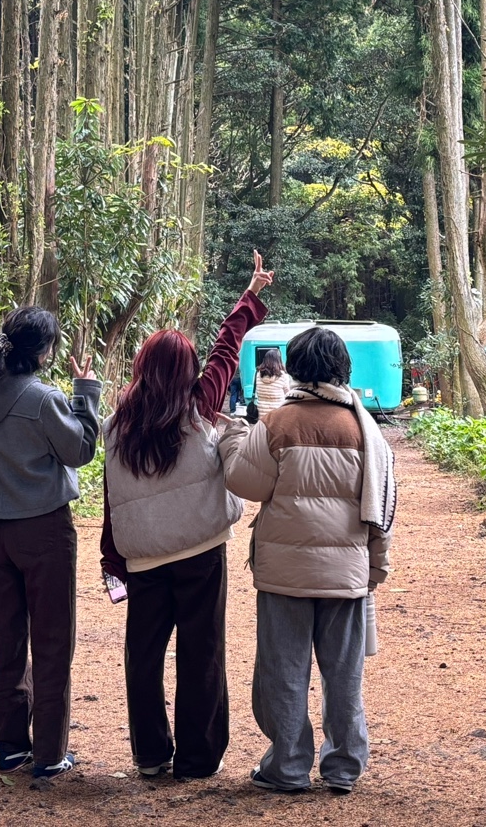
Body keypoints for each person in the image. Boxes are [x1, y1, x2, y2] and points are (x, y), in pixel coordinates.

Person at [101, 250, 276, 780]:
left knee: (143, 655)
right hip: (200, 551)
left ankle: (151, 754)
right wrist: (250, 294)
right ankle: (198, 758)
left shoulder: (116, 426)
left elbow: (112, 500)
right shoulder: (200, 405)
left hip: (144, 558)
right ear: (187, 371)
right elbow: (227, 346)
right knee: (202, 652)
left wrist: (112, 556)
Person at [219, 326, 396, 796]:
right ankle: (343, 767)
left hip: (285, 574)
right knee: (344, 675)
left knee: (284, 673)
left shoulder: (278, 423)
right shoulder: (365, 428)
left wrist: (233, 438)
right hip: (346, 573)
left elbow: (245, 482)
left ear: (295, 367)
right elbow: (381, 507)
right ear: (343, 368)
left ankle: (289, 767)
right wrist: (376, 565)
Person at [0, 307, 101, 780]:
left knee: (5, 639)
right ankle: (48, 752)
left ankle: (9, 745)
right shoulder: (43, 399)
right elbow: (79, 450)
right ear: (44, 352)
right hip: (44, 530)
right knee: (52, 639)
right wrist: (86, 394)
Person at [254, 348, 292, 414]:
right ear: (278, 360)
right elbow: (288, 393)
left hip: (262, 412)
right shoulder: (282, 375)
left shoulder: (258, 374)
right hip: (277, 412)